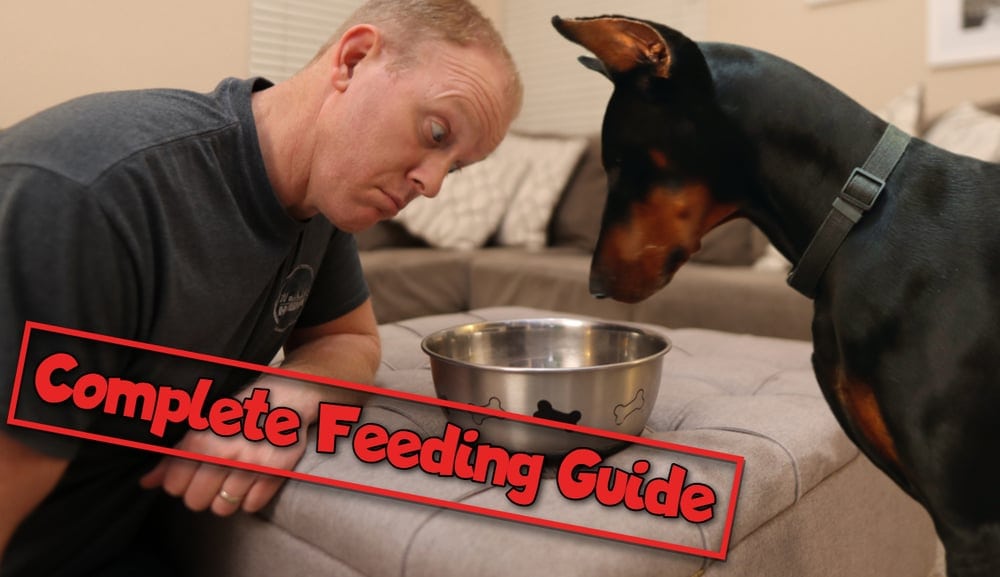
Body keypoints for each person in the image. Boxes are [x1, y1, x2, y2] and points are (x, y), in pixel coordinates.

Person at [0, 0, 522, 574]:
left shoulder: (316, 200)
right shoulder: (89, 198)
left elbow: (350, 339)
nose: (431, 184)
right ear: (352, 60)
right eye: (435, 132)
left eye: (455, 166)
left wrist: (280, 401)